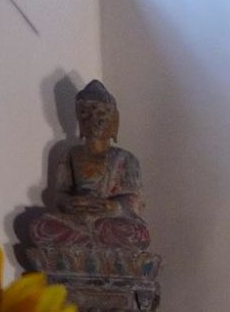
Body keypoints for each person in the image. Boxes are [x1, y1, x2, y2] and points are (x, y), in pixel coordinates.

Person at [25, 80, 151, 251]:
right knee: (40, 228)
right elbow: (60, 194)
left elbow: (137, 201)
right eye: (85, 113)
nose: (93, 120)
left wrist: (112, 207)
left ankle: (86, 249)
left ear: (114, 119)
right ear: (78, 118)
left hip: (109, 222)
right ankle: (85, 248)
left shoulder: (125, 158)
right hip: (78, 220)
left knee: (138, 234)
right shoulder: (70, 154)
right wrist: (69, 203)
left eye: (101, 113)